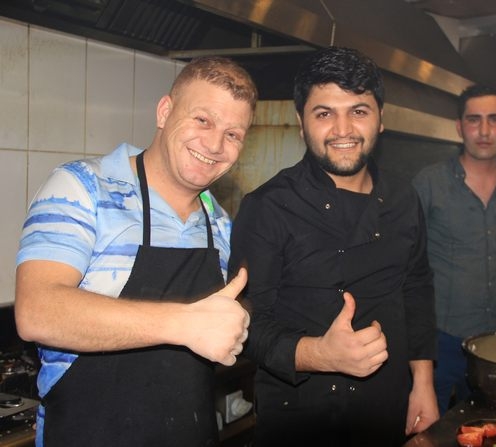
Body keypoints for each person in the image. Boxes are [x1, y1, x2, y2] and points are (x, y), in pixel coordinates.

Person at [14, 56, 257, 447]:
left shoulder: (219, 223)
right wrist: (184, 324)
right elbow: (36, 310)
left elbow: (216, 322)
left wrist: (236, 318)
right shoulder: (83, 188)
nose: (214, 145)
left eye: (233, 134)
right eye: (202, 120)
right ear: (165, 111)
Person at [228, 46, 439, 447]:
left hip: (386, 411)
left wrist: (423, 382)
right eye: (324, 113)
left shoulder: (403, 198)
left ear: (381, 119)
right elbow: (246, 324)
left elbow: (417, 288)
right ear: (301, 123)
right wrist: (319, 354)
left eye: (358, 110)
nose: (343, 129)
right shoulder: (267, 207)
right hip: (300, 422)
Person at [412, 84, 496, 415]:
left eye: (494, 120)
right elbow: (405, 262)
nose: (484, 131)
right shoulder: (429, 182)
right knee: (428, 429)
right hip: (437, 339)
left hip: (494, 340)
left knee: (486, 424)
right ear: (459, 126)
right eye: (474, 120)